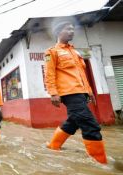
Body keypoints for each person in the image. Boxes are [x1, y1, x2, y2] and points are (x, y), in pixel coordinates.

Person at [44, 19, 107, 164]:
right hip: (68, 93)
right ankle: (100, 163)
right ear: (59, 32)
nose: (72, 31)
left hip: (81, 92)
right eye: (68, 29)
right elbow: (49, 74)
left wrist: (89, 91)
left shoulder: (75, 52)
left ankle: (54, 145)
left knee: (73, 121)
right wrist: (53, 93)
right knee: (90, 124)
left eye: (73, 29)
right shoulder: (52, 52)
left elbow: (82, 74)